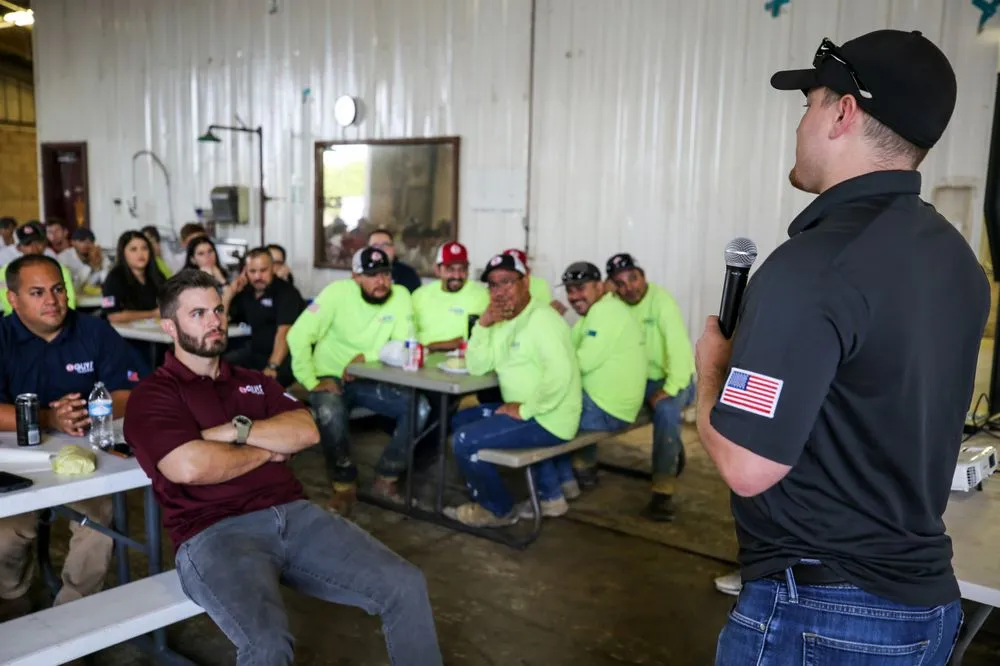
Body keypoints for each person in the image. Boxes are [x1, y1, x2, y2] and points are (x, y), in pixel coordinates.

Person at [697, 30, 986, 664]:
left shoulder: (815, 266)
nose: (801, 122)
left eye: (808, 103)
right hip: (925, 608)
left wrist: (710, 374)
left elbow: (748, 467)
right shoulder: (954, 259)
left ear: (843, 111)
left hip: (824, 614)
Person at [123, 269, 442, 666]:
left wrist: (233, 432)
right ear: (169, 326)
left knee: (405, 585)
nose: (214, 321)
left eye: (218, 310)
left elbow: (307, 431)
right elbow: (189, 466)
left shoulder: (253, 381)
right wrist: (269, 449)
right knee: (268, 644)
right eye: (198, 314)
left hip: (296, 516)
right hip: (214, 532)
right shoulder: (154, 395)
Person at [0, 254, 139, 616]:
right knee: (6, 533)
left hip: (86, 456)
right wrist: (48, 416)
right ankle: (12, 600)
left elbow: (128, 392)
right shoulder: (2, 338)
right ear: (13, 299)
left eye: (58, 289)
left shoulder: (94, 331)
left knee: (97, 523)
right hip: (17, 460)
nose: (52, 300)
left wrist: (89, 412)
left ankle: (73, 614)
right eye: (37, 292)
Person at [286, 247, 428, 515]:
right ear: (355, 277)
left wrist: (366, 359)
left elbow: (405, 345)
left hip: (370, 376)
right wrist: (311, 381)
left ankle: (387, 477)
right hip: (328, 376)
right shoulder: (336, 294)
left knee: (419, 407)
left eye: (385, 274)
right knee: (329, 410)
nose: (381, 282)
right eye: (372, 275)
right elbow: (298, 335)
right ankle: (344, 485)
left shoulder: (400, 297)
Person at [445, 253, 581, 527]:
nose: (499, 292)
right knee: (458, 420)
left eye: (507, 282)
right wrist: (483, 325)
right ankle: (488, 496)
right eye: (493, 285)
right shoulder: (502, 322)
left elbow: (560, 375)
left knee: (464, 440)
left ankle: (497, 510)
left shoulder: (542, 320)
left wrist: (525, 408)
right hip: (530, 410)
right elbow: (478, 365)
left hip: (548, 418)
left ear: (526, 282)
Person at [605, 252, 695, 521]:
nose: (628, 287)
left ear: (643, 276)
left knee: (666, 410)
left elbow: (679, 352)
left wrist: (670, 387)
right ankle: (582, 467)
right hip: (636, 380)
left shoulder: (661, 301)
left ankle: (663, 490)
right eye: (619, 283)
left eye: (633, 278)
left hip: (674, 378)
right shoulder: (613, 304)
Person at [553, 261, 646, 494]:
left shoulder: (606, 312)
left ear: (600, 286)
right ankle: (569, 480)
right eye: (570, 290)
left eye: (581, 288)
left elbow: (579, 362)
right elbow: (568, 350)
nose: (574, 296)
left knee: (541, 416)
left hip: (608, 410)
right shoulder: (594, 313)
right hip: (608, 404)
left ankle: (553, 490)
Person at [224, 247, 305, 387]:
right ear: (245, 272)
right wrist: (229, 293)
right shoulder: (246, 292)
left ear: (273, 268)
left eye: (263, 270)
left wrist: (273, 366)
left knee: (261, 388)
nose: (257, 276)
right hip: (256, 352)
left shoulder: (287, 293)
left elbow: (284, 333)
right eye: (253, 271)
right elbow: (219, 319)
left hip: (286, 357)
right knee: (219, 368)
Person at [412, 241, 489, 352]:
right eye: (450, 269)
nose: (457, 276)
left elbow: (472, 339)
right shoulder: (419, 295)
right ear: (437, 270)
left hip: (463, 362)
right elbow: (409, 333)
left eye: (462, 269)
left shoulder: (482, 295)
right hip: (422, 360)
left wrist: (430, 347)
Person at [0, 221, 76, 314]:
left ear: (45, 243)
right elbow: (8, 303)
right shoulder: (5, 272)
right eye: (28, 244)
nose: (34, 248)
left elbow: (69, 302)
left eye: (38, 242)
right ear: (20, 247)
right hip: (15, 323)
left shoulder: (59, 269)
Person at [102, 230, 166, 324]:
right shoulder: (113, 278)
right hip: (124, 335)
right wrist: (152, 314)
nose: (140, 254)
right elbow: (113, 316)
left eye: (144, 248)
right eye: (133, 249)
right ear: (123, 253)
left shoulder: (156, 275)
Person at [503, 248, 566, 315]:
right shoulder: (494, 286)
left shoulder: (540, 284)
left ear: (527, 270)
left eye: (517, 268)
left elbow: (544, 310)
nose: (511, 272)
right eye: (506, 268)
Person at [58, 227, 110, 295]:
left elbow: (108, 283)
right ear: (72, 242)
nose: (87, 244)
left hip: (97, 300)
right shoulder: (64, 258)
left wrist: (98, 267)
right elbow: (73, 286)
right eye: (82, 240)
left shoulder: (99, 256)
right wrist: (90, 266)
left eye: (90, 241)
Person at [368, 228, 422, 292]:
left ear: (393, 248)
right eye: (375, 246)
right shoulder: (361, 275)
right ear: (367, 251)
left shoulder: (409, 274)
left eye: (385, 245)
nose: (381, 249)